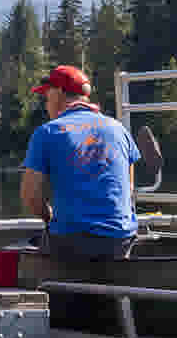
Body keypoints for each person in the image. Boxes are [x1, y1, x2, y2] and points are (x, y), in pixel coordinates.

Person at [20, 65, 141, 260]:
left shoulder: (48, 132)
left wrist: (48, 216)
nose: (46, 104)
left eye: (47, 96)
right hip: (120, 242)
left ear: (59, 92)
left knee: (32, 247)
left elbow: (30, 197)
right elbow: (129, 186)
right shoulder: (119, 129)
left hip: (71, 243)